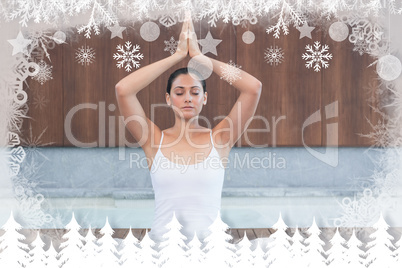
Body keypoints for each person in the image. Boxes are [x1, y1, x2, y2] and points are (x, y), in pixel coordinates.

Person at [115, 16, 262, 247]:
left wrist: (201, 59)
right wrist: (175, 56)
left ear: (204, 98)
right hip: (162, 252)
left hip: (212, 253)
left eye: (195, 92)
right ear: (168, 98)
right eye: (179, 92)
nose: (187, 98)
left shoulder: (220, 138)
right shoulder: (154, 140)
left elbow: (253, 88)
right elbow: (123, 90)